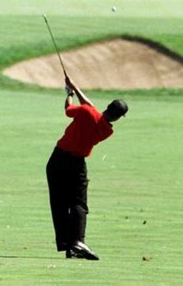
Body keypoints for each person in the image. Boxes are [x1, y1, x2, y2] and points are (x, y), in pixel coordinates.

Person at [46, 76, 128, 260]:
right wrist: (75, 86)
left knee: (59, 203)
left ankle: (68, 245)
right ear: (118, 117)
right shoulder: (107, 130)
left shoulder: (86, 112)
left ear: (108, 106)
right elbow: (91, 109)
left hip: (57, 159)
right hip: (76, 164)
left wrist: (69, 94)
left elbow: (69, 110)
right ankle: (77, 243)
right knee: (78, 203)